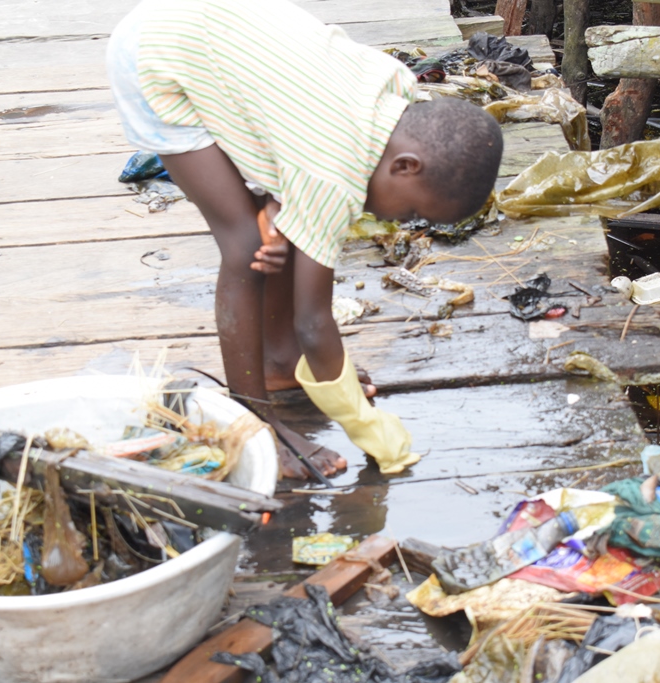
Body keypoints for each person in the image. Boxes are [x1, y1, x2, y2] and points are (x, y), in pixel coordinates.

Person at [107, 0, 503, 479]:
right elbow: (314, 322)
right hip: (156, 56)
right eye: (415, 209)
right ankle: (255, 421)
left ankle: (278, 362)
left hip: (224, 31)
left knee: (287, 225)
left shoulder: (396, 89)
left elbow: (297, 139)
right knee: (245, 246)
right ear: (405, 166)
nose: (404, 222)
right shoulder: (332, 174)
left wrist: (279, 202)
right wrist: (361, 420)